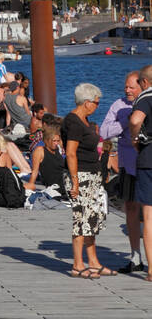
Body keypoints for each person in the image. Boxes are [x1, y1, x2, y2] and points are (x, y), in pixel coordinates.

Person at [63, 84, 111, 278]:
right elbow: (70, 153)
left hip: (92, 175)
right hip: (80, 176)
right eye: (97, 103)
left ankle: (93, 261)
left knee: (92, 220)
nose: (98, 106)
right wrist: (74, 182)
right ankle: (77, 264)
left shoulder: (84, 120)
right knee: (81, 219)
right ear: (87, 102)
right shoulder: (73, 122)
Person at [100, 70, 145, 274]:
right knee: (131, 209)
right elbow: (104, 132)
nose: (127, 90)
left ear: (142, 85)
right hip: (128, 164)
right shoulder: (119, 105)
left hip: (147, 163)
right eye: (125, 86)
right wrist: (126, 121)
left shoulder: (148, 102)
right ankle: (135, 256)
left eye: (131, 87)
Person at [125, 65, 152, 280]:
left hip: (149, 158)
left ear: (144, 82)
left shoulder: (145, 97)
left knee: (149, 217)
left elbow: (135, 120)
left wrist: (135, 138)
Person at [24, 122, 68, 191]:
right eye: (54, 141)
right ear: (47, 140)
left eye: (58, 141)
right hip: (55, 185)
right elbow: (35, 171)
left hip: (65, 180)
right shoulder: (40, 151)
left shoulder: (58, 150)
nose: (56, 143)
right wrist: (30, 184)